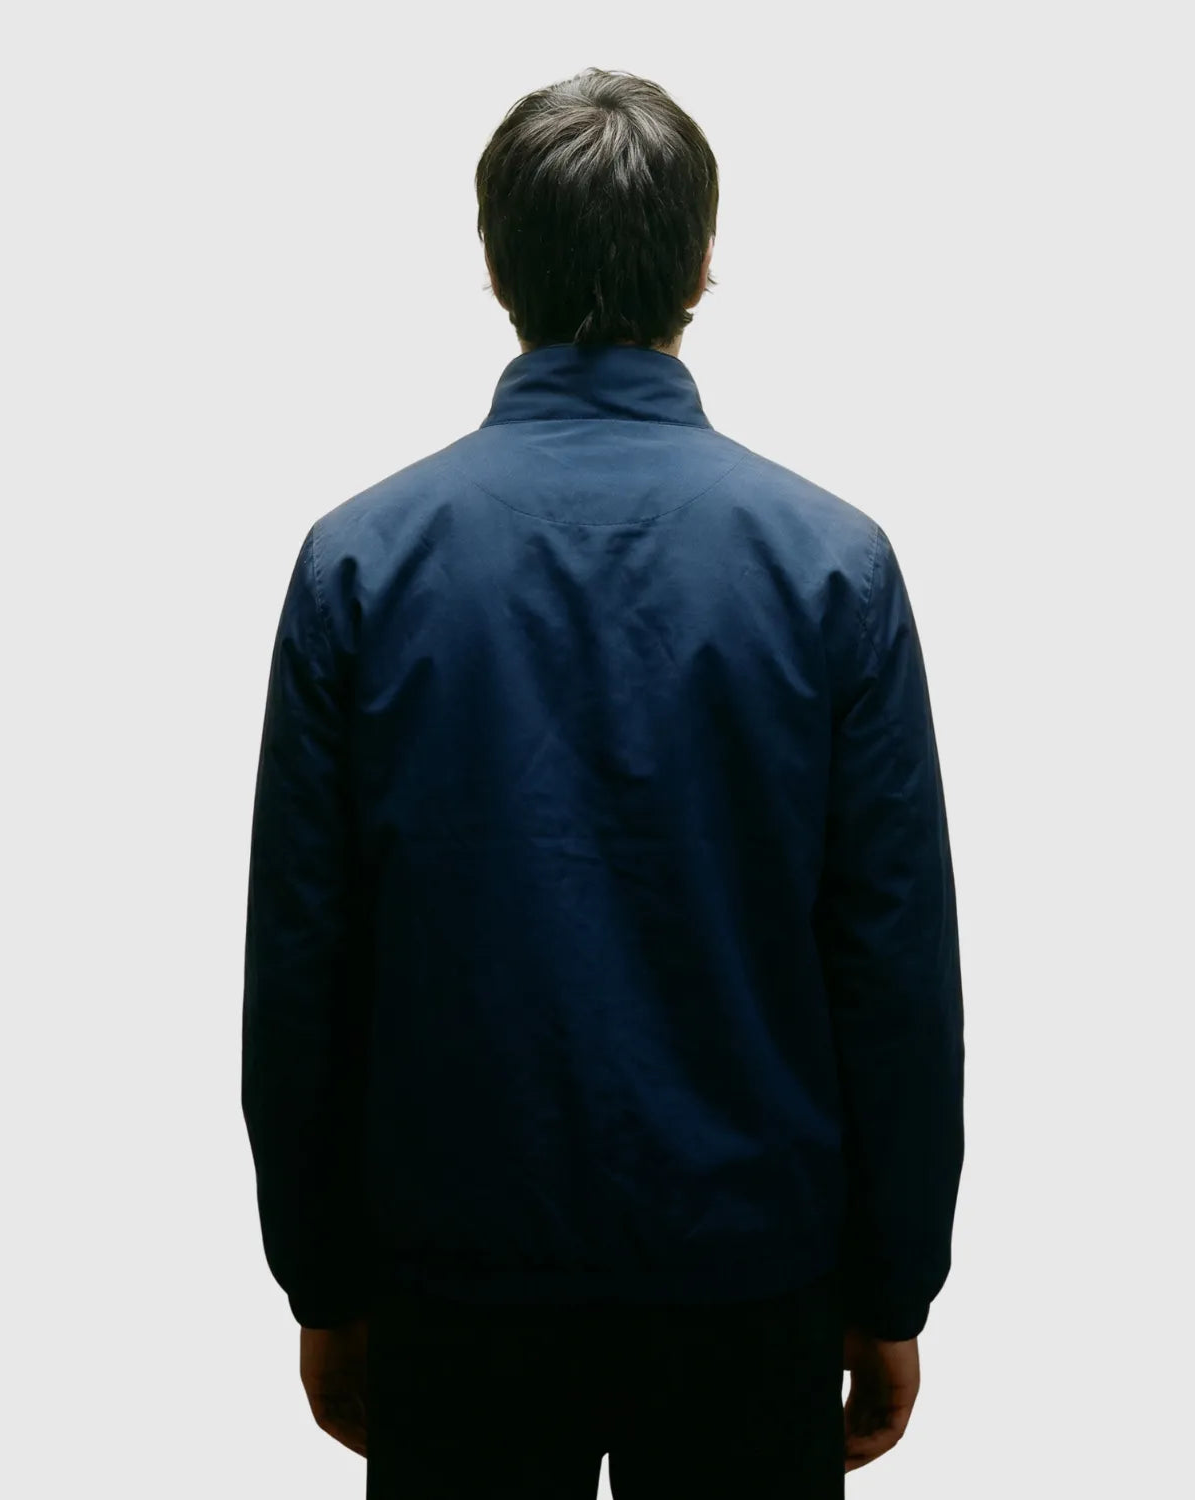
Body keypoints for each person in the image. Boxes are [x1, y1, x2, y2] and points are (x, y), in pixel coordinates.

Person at [241, 65, 965, 1498]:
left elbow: (303, 967)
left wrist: (319, 1277)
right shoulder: (833, 567)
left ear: (495, 262)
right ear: (702, 262)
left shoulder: (360, 565)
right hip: (750, 1279)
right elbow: (891, 968)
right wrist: (894, 1286)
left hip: (456, 1279)